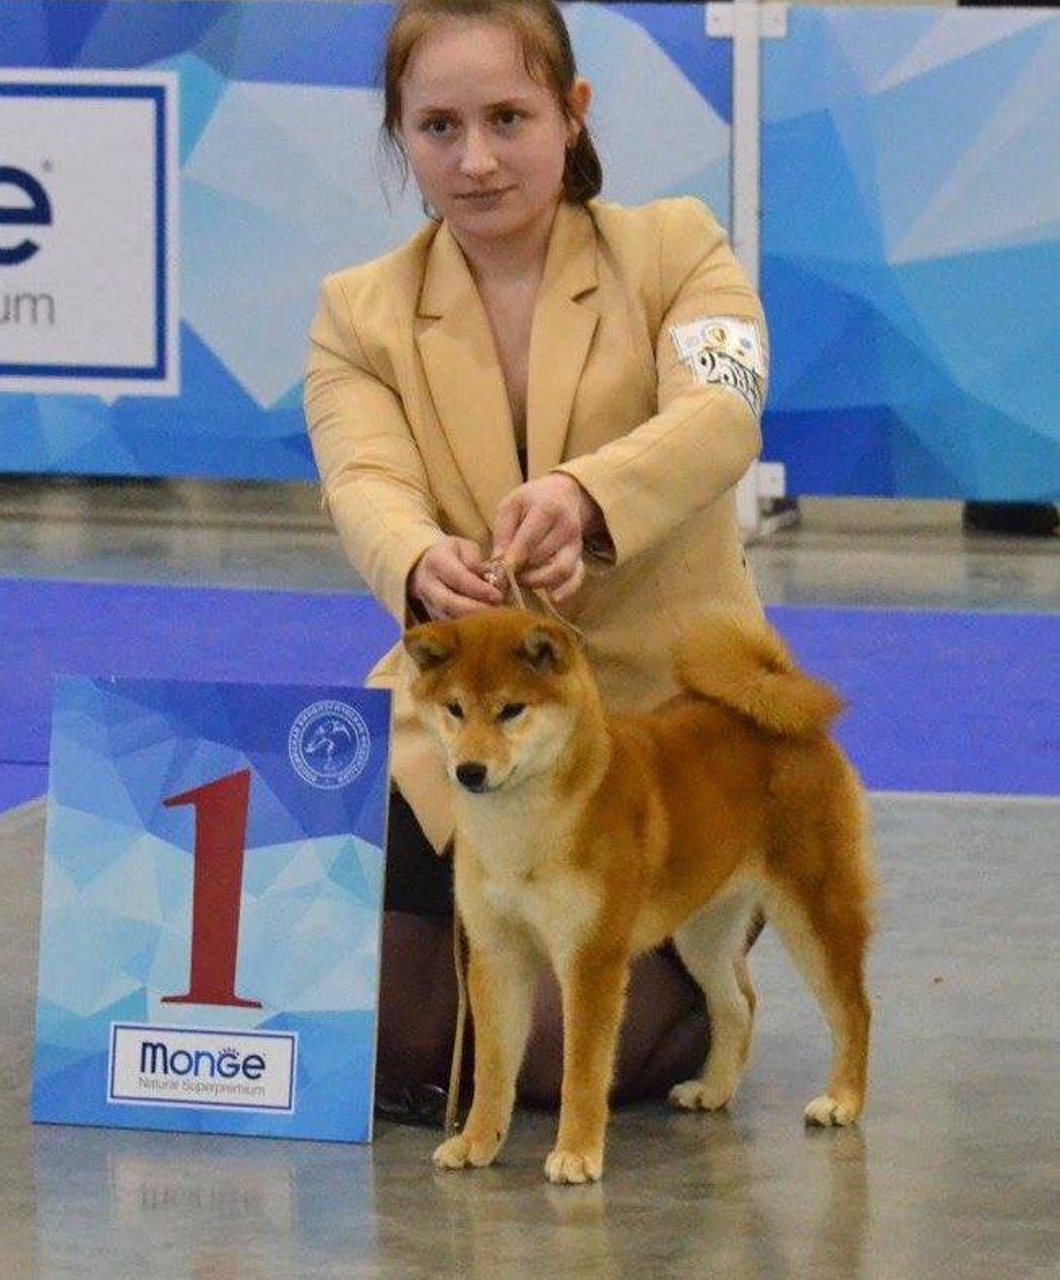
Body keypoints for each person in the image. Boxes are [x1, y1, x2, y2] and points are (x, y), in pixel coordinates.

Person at [304, 0, 770, 1122]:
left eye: (508, 117)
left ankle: (696, 987)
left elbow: (724, 407)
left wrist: (587, 494)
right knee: (385, 1041)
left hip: (670, 740)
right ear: (399, 136)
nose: (473, 160)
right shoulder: (355, 313)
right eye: (436, 127)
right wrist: (417, 562)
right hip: (460, 737)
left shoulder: (676, 249)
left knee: (558, 1060)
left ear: (572, 115)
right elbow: (362, 481)